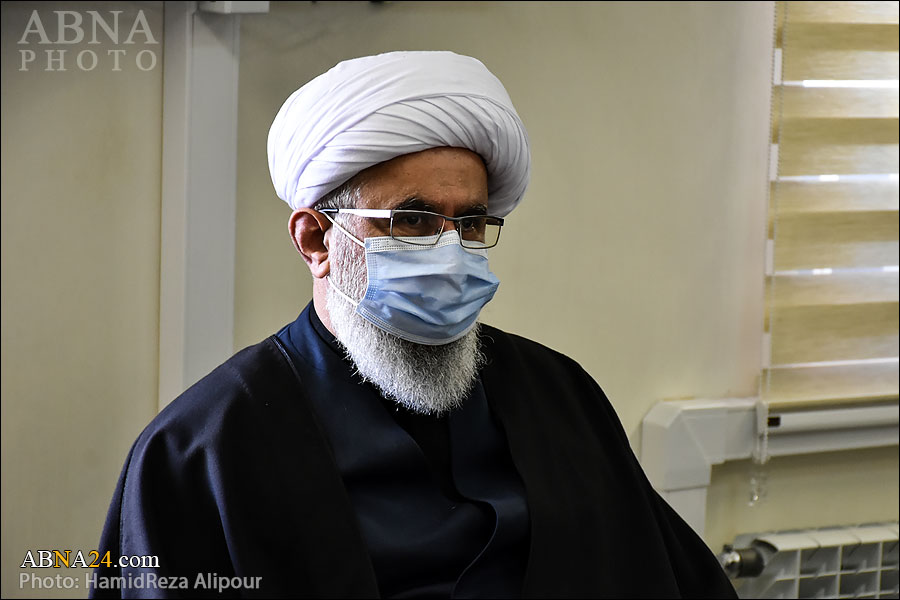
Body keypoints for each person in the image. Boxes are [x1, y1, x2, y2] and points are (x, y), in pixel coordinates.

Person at [92, 51, 736, 599]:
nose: (449, 251)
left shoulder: (560, 396)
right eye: (413, 220)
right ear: (315, 239)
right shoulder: (204, 448)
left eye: (470, 223)